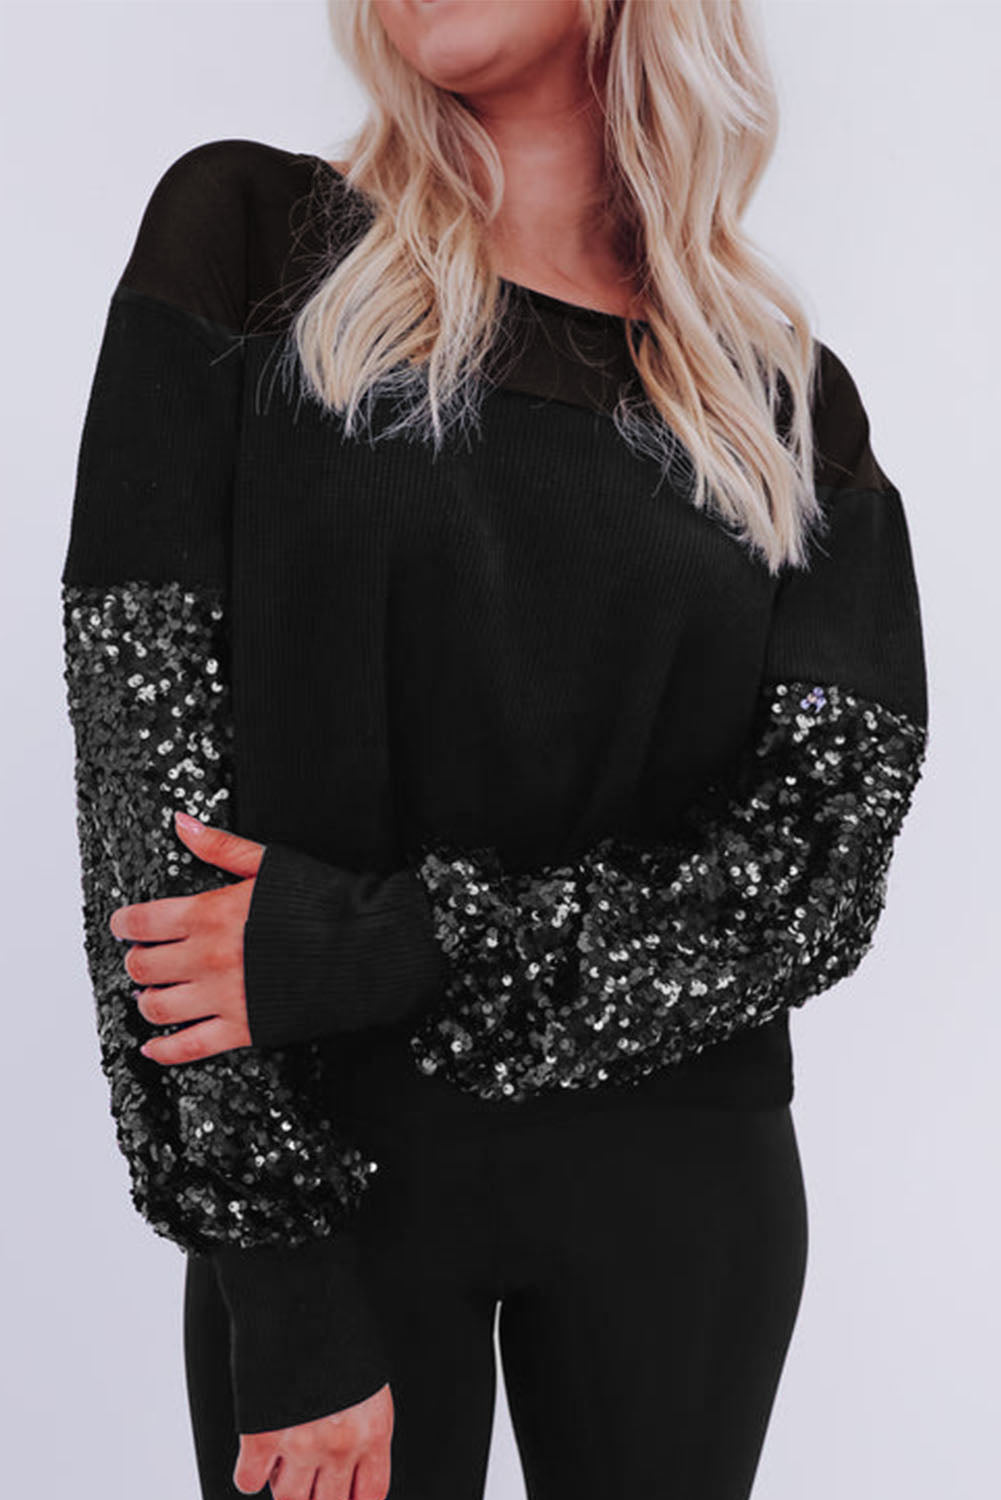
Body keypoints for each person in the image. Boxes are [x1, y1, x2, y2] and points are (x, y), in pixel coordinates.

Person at [59, 2, 929, 1498]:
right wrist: (285, 1288)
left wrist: (399, 940)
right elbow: (149, 821)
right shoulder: (250, 241)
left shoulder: (783, 401)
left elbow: (813, 876)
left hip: (682, 1190)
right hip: (338, 1176)